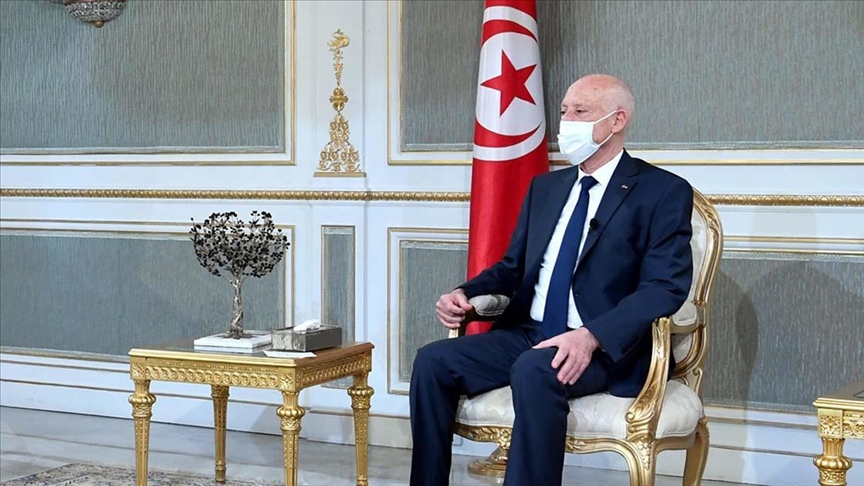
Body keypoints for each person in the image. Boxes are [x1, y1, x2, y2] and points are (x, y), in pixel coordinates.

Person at [409, 74, 694, 486]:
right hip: (531, 332)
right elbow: (513, 267)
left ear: (617, 121)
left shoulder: (662, 191)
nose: (566, 122)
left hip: (604, 346)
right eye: (564, 111)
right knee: (432, 361)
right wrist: (464, 293)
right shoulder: (547, 187)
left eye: (580, 111)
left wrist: (591, 336)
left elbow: (664, 286)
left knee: (534, 369)